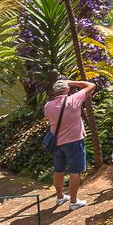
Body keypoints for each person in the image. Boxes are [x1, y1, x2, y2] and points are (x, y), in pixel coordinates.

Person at [42, 77, 95, 210]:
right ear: (68, 89)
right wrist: (70, 82)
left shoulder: (48, 106)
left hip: (57, 143)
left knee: (58, 170)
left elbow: (48, 118)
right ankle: (73, 201)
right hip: (74, 142)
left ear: (54, 92)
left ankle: (60, 197)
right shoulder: (73, 100)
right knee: (75, 171)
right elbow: (90, 85)